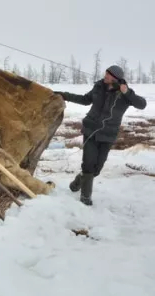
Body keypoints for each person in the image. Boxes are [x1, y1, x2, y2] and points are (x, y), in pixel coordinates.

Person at [54, 65, 147, 205]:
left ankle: (77, 183)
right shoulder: (98, 87)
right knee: (88, 164)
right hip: (90, 131)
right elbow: (85, 99)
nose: (106, 76)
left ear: (116, 78)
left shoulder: (125, 94)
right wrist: (65, 95)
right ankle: (85, 198)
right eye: (106, 73)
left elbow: (142, 104)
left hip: (108, 135)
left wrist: (127, 92)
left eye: (109, 74)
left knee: (96, 169)